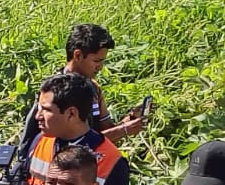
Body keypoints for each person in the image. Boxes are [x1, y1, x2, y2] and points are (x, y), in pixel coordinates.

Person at [22, 73, 132, 185]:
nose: (38, 116)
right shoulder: (40, 141)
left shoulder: (110, 162)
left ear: (71, 114)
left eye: (45, 110)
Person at [20, 24, 149, 149]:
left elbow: (104, 130)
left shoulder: (93, 88)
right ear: (78, 55)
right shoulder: (55, 93)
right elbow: (74, 144)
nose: (100, 67)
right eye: (96, 61)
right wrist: (124, 130)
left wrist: (131, 119)